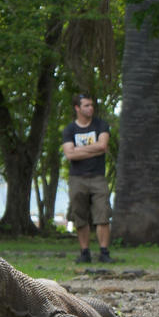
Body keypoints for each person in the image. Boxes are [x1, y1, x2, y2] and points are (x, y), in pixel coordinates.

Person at [62, 94, 114, 263]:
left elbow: (103, 145)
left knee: (103, 214)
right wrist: (94, 150)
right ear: (77, 108)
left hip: (98, 177)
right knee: (80, 215)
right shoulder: (70, 130)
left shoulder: (101, 125)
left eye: (91, 105)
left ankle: (104, 252)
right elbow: (69, 154)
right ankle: (85, 252)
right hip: (77, 178)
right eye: (86, 105)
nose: (90, 108)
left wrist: (79, 150)